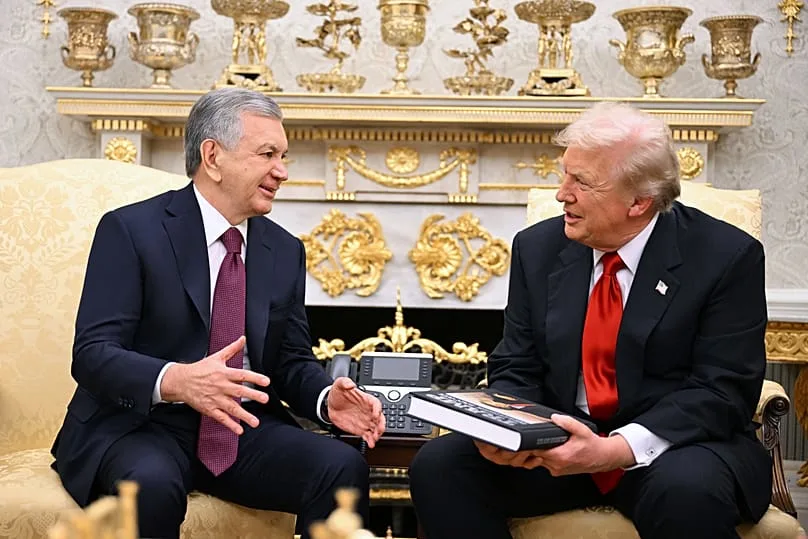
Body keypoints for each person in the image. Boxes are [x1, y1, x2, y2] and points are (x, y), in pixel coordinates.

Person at [409, 101, 771, 539]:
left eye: (581, 182)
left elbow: (722, 389)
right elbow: (517, 363)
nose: (562, 193)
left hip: (673, 447)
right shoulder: (537, 248)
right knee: (440, 467)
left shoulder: (725, 257)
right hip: (559, 443)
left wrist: (615, 449)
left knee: (685, 494)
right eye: (565, 174)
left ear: (639, 201)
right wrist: (508, 430)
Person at [50, 87, 385, 539]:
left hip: (239, 428)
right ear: (212, 157)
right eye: (267, 154)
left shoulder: (283, 249)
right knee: (150, 486)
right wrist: (178, 380)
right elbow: (93, 354)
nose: (282, 171)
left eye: (283, 156)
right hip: (142, 425)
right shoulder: (131, 230)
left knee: (341, 468)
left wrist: (327, 399)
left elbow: (290, 361)